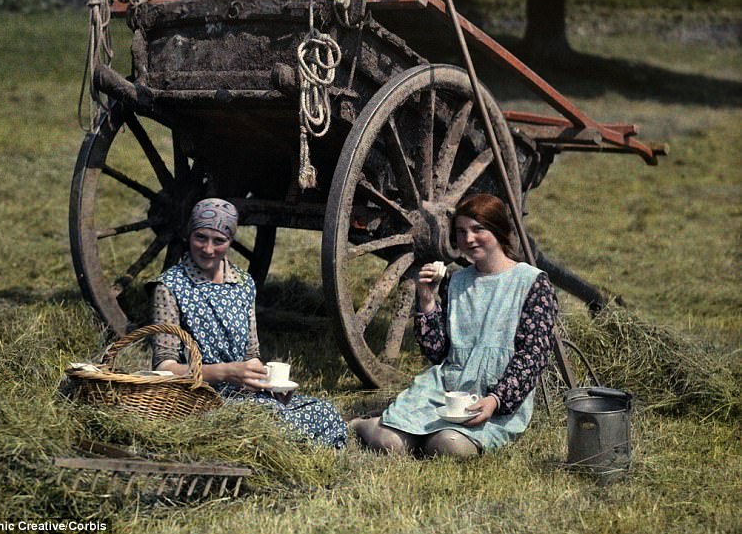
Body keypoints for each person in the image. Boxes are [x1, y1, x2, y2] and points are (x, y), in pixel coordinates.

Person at [350, 193, 557, 458]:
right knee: (389, 442)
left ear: (499, 229)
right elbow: (438, 353)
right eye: (461, 231)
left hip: (493, 398)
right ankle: (360, 424)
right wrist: (426, 301)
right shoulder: (457, 280)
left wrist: (495, 400)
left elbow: (533, 355)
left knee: (448, 445)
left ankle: (430, 439)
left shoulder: (531, 283)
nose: (468, 239)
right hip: (445, 392)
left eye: (478, 229)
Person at [150, 198, 347, 448]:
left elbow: (251, 355)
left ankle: (297, 445)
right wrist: (226, 372)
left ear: (230, 241)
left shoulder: (243, 284)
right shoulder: (169, 287)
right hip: (197, 398)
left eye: (219, 241)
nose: (208, 249)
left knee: (324, 411)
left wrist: (266, 381)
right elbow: (164, 368)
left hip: (242, 395)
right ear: (189, 235)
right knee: (268, 419)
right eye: (200, 237)